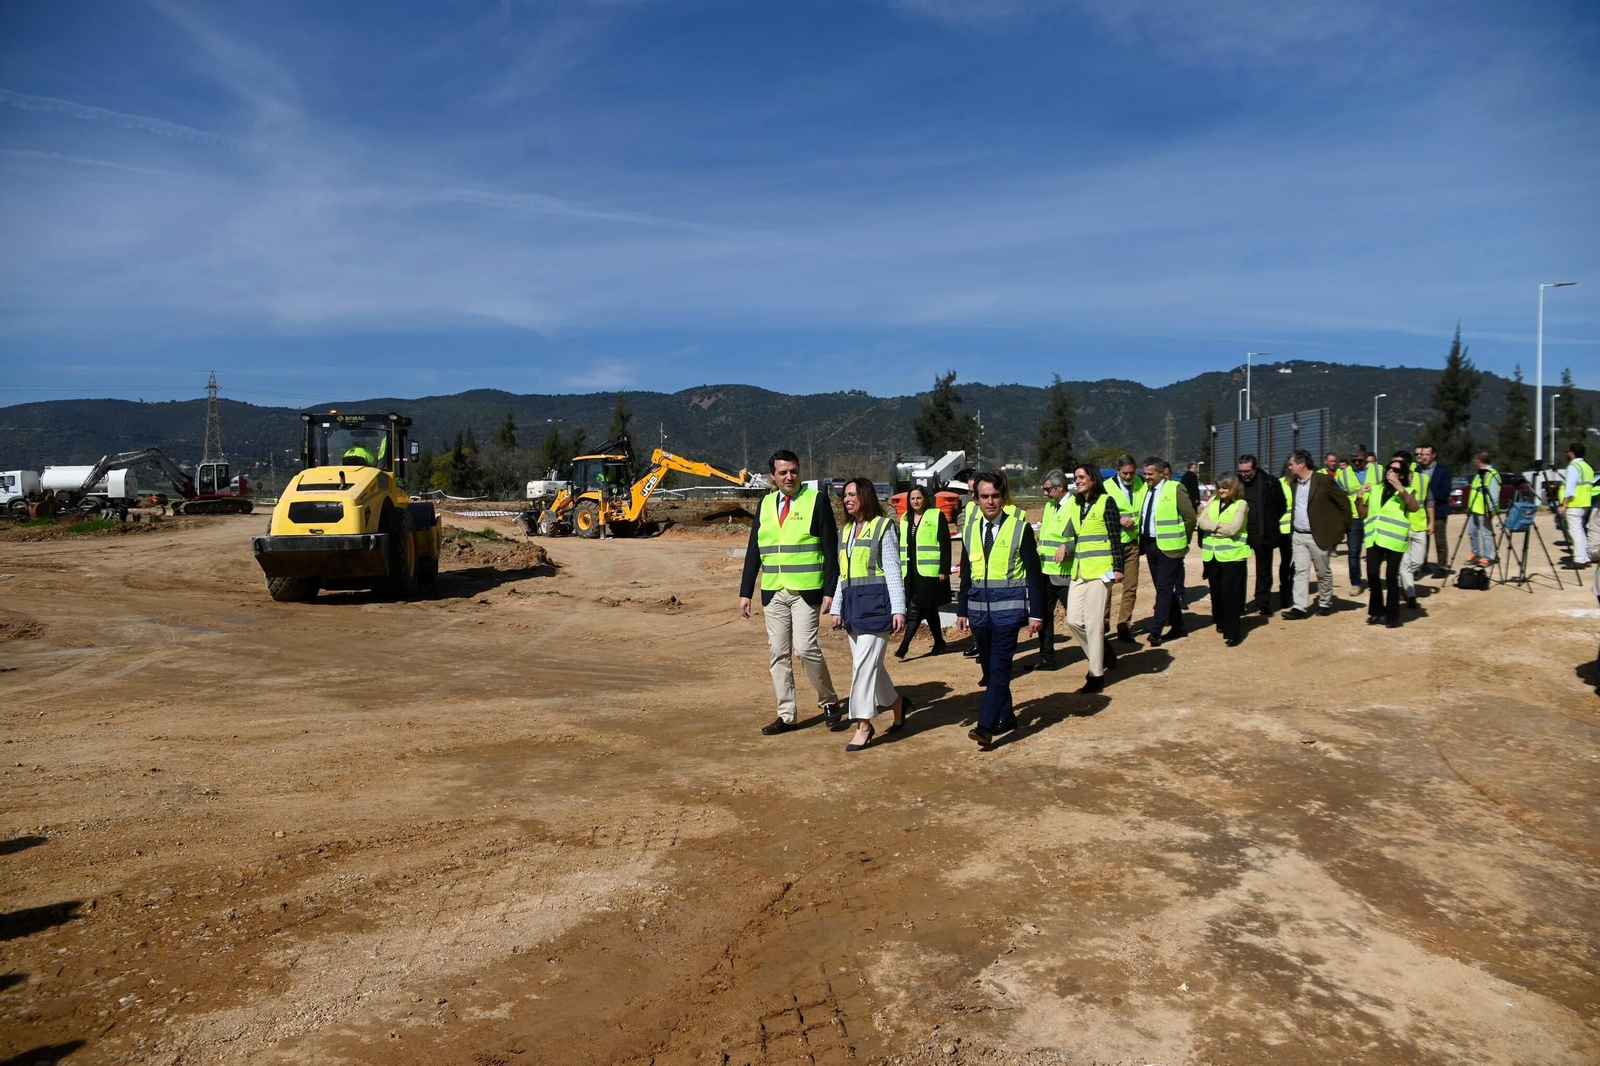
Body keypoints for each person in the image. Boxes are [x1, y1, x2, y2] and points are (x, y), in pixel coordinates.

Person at [739, 450, 841, 735]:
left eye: (793, 471)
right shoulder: (766, 504)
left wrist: (831, 590)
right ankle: (787, 714)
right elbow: (754, 550)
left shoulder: (816, 501)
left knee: (806, 648)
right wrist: (745, 591)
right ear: (773, 476)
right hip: (773, 591)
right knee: (778, 653)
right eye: (782, 472)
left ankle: (829, 701)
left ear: (800, 472)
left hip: (807, 591)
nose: (788, 476)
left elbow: (831, 550)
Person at [958, 472, 1044, 748]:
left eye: (995, 496)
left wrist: (1037, 612)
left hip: (1008, 613)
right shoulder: (970, 530)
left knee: (999, 668)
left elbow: (1034, 575)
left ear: (1004, 497)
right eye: (985, 496)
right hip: (979, 614)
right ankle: (1006, 715)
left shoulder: (1020, 529)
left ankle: (985, 726)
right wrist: (962, 610)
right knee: (988, 667)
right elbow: (966, 574)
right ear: (976, 498)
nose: (990, 501)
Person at [831, 478, 912, 752]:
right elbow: (845, 574)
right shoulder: (845, 531)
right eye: (845, 495)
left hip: (877, 608)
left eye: (852, 494)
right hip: (854, 609)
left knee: (863, 667)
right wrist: (835, 608)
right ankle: (898, 704)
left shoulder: (883, 527)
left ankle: (863, 724)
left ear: (865, 495)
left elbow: (892, 569)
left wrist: (899, 609)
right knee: (871, 667)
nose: (847, 499)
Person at [1063, 464, 1124, 693]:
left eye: (1081, 477)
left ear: (1093, 479)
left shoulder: (1106, 502)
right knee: (1073, 620)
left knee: (1093, 623)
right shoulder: (1077, 505)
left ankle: (1096, 674)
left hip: (1100, 571)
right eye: (1075, 477)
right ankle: (1102, 654)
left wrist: (1118, 567)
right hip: (1079, 570)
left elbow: (1115, 537)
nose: (1077, 481)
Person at [1283, 449, 1350, 618]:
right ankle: (1299, 607)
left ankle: (1325, 602)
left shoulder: (1324, 480)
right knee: (1300, 571)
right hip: (1298, 534)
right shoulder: (1294, 483)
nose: (1289, 467)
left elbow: (1344, 503)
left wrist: (1342, 527)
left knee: (1322, 571)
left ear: (1301, 464)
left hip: (1318, 535)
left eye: (1292, 464)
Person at [1137, 456, 1196, 645]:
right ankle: (1178, 626)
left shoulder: (1175, 489)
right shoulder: (1146, 490)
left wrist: (1183, 540)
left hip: (1170, 547)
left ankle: (1156, 629)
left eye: (1150, 474)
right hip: (1151, 545)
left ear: (1163, 473)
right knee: (1162, 588)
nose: (1146, 477)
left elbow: (1190, 518)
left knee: (1163, 589)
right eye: (1145, 473)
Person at [1360, 456, 1421, 628]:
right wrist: (1359, 498)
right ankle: (1377, 611)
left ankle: (1393, 616)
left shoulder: (1406, 491)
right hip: (1374, 538)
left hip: (1394, 540)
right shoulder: (1376, 489)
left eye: (1396, 470)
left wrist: (1400, 488)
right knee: (1372, 575)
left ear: (1402, 475)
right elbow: (1363, 514)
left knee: (1391, 577)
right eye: (1389, 468)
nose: (1391, 472)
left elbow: (1414, 507)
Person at [893, 485, 952, 658]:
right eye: (912, 498)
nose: (916, 501)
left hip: (929, 571)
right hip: (910, 571)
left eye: (919, 498)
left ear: (925, 498)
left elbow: (945, 543)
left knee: (915, 607)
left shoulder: (936, 515)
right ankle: (939, 642)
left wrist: (944, 568)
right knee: (929, 608)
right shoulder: (905, 519)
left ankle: (904, 645)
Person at [1198, 473, 1250, 646]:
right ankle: (1220, 622)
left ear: (1234, 488)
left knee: (1230, 594)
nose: (1221, 490)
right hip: (1212, 555)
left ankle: (1232, 632)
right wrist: (1219, 526)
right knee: (1216, 592)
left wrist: (1211, 526)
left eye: (1225, 487)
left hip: (1232, 557)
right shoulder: (1213, 501)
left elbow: (1234, 529)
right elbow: (1201, 522)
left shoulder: (1241, 504)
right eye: (1219, 487)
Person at [1102, 454, 1147, 642]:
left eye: (1131, 473)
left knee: (1131, 587)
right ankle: (1103, 622)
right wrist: (1118, 519)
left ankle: (1123, 625)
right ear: (1117, 471)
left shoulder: (1140, 483)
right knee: (1107, 586)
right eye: (1125, 473)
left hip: (1132, 543)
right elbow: (1101, 513)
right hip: (1112, 544)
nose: (1129, 477)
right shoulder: (1106, 487)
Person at [1236, 454, 1286, 617]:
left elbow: (1281, 506)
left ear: (1255, 468)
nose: (1244, 474)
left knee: (1263, 570)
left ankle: (1263, 602)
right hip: (1240, 533)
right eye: (1242, 471)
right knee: (1238, 570)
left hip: (1263, 532)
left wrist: (1269, 522)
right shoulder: (1235, 483)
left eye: (1247, 471)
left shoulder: (1270, 482)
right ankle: (1238, 603)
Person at [1035, 469, 1073, 670]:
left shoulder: (1074, 506)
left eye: (1048, 489)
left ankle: (1103, 654)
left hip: (1065, 573)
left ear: (1059, 487)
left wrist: (1068, 546)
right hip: (1046, 571)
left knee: (1077, 618)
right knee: (1044, 615)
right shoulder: (1050, 507)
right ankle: (1047, 657)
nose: (1045, 493)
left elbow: (1081, 536)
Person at [1390, 449, 1433, 608]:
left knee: (1418, 561)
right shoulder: (1390, 481)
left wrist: (1431, 521)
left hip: (1419, 524)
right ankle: (1411, 595)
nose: (1394, 469)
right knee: (1405, 562)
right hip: (1400, 526)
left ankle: (1403, 580)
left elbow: (1429, 500)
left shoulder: (1422, 479)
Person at [1334, 446, 1379, 593]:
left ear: (1366, 457)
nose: (1356, 463)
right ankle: (1356, 582)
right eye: (1353, 460)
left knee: (1374, 551)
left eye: (1359, 460)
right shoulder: (1345, 474)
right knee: (1353, 552)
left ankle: (1374, 580)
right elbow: (1338, 494)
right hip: (1354, 518)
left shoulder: (1379, 471)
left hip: (1374, 516)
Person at [1415, 444, 1452, 575]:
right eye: (1422, 454)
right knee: (1421, 540)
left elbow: (1446, 491)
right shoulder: (1417, 470)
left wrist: (1428, 497)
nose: (1423, 457)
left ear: (1433, 455)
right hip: (1421, 512)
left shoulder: (1443, 470)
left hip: (1439, 510)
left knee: (1440, 541)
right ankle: (1422, 564)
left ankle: (1442, 567)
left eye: (1426, 454)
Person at [1559, 442, 1594, 570]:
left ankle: (1579, 560)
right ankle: (1585, 558)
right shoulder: (1587, 467)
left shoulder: (1573, 467)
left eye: (1567, 451)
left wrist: (1564, 504)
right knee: (1580, 531)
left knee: (1575, 532)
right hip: (1585, 503)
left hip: (1574, 503)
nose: (1567, 454)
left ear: (1572, 453)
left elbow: (1570, 488)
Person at [1465, 451, 1500, 566]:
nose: (1474, 462)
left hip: (1484, 510)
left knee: (1486, 534)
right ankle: (1475, 553)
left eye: (1475, 460)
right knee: (1472, 532)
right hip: (1474, 508)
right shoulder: (1480, 474)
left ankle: (1487, 557)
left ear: (1479, 460)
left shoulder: (1492, 474)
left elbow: (1494, 495)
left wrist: (1490, 510)